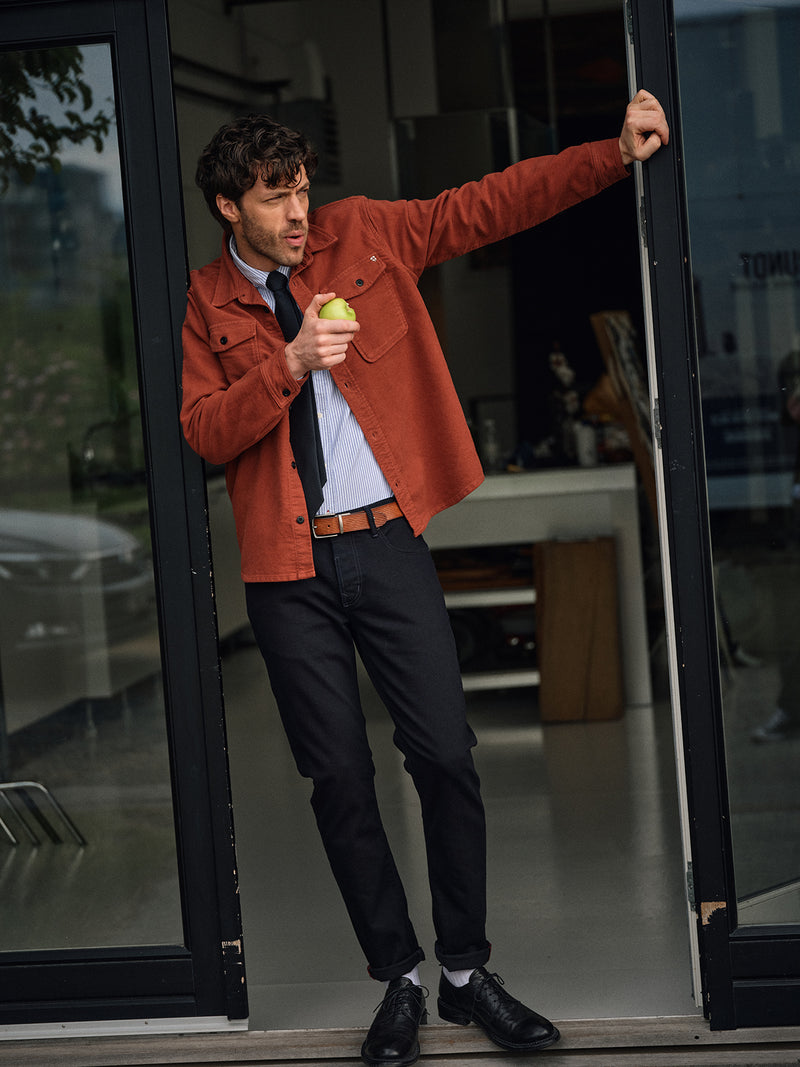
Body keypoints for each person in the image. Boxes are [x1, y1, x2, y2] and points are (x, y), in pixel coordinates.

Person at [181, 89, 669, 1065]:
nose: (298, 214)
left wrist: (611, 154)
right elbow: (203, 435)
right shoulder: (207, 302)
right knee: (340, 781)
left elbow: (489, 203)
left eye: (303, 190)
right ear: (230, 207)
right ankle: (396, 976)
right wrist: (285, 363)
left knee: (444, 753)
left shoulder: (363, 233)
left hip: (385, 542)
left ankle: (463, 971)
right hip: (287, 567)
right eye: (277, 198)